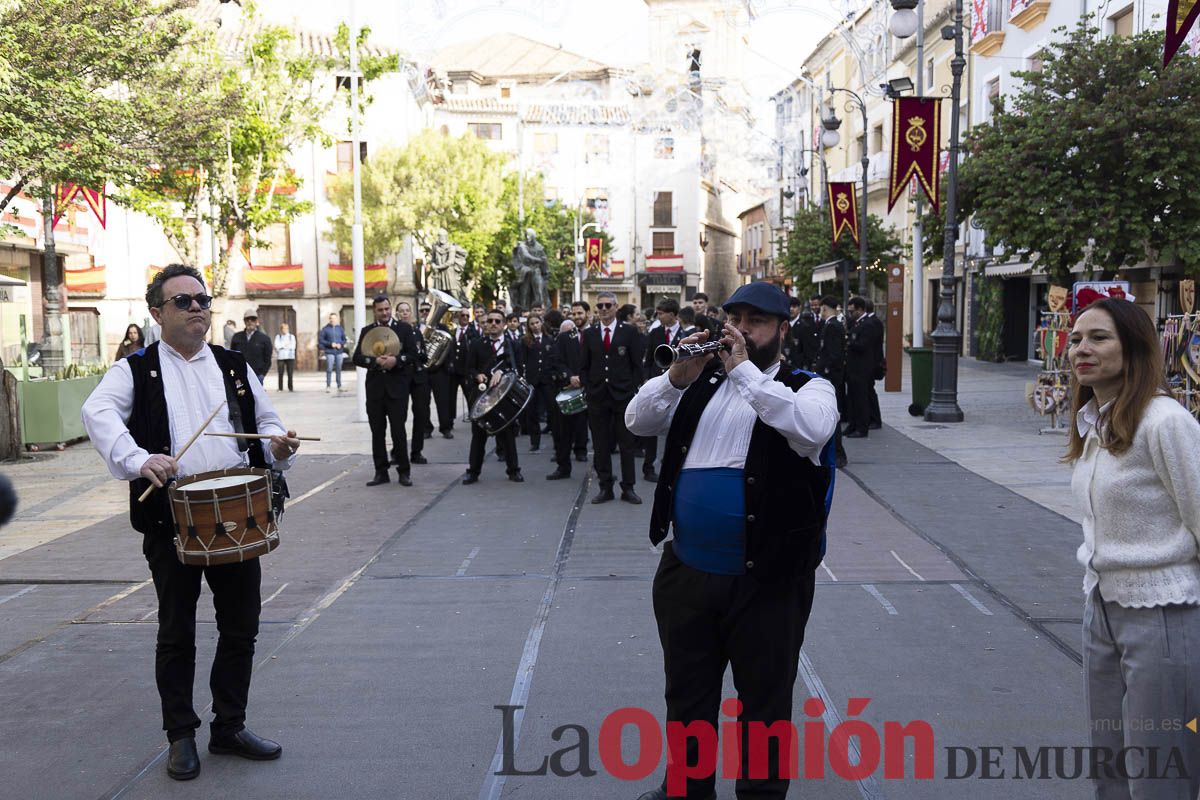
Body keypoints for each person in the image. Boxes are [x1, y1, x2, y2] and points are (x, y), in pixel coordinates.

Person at [81, 264, 300, 782]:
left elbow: (266, 424)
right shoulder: (135, 368)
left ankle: (229, 726)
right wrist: (139, 459)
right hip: (171, 518)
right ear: (158, 314)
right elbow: (98, 413)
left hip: (238, 511)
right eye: (184, 301)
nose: (198, 307)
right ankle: (180, 735)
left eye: (202, 299)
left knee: (241, 626)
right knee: (177, 631)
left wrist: (277, 446)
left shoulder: (232, 364)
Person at [625, 281, 839, 800]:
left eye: (756, 321)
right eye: (735, 318)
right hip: (688, 573)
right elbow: (638, 420)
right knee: (688, 696)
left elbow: (809, 430)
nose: (741, 330)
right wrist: (675, 378)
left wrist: (742, 369)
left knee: (764, 706)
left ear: (783, 329)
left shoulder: (809, 387)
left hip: (767, 580)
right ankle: (686, 790)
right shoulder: (701, 384)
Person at [1066, 297, 1200, 800]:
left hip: (1164, 613)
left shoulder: (1165, 422)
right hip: (1100, 606)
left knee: (1162, 771)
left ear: (1135, 347)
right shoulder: (1093, 422)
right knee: (1109, 763)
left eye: (1099, 338)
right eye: (1077, 338)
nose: (1082, 348)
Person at [578, 291, 643, 504]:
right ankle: (605, 487)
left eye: (608, 305)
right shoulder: (590, 334)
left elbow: (636, 365)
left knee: (626, 444)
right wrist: (589, 387)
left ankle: (629, 487)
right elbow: (584, 366)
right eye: (600, 306)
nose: (604, 309)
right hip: (598, 397)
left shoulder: (629, 332)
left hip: (623, 396)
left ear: (616, 307)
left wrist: (632, 388)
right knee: (601, 445)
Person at [352, 295, 420, 487]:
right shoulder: (367, 331)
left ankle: (404, 472)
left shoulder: (404, 329)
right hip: (375, 391)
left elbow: (413, 355)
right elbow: (357, 357)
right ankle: (380, 472)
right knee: (377, 433)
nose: (384, 312)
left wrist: (396, 361)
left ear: (391, 309)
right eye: (380, 310)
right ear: (374, 311)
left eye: (387, 309)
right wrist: (375, 362)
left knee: (398, 432)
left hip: (397, 390)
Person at [463, 309, 523, 484]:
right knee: (478, 435)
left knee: (508, 435)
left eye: (497, 321)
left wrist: (502, 372)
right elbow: (469, 369)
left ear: (504, 324)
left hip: (504, 396)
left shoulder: (513, 345)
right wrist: (477, 376)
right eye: (490, 321)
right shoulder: (476, 344)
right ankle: (473, 471)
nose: (493, 324)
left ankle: (513, 470)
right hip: (482, 396)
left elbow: (518, 369)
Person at [640, 298, 683, 484]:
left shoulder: (686, 333)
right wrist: (646, 379)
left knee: (676, 427)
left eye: (662, 313)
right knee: (652, 425)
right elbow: (649, 358)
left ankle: (672, 465)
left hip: (679, 386)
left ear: (672, 314)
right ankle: (648, 467)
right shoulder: (655, 332)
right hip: (657, 384)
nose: (658, 316)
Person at [814, 296, 848, 468]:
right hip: (830, 376)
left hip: (831, 378)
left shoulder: (833, 326)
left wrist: (827, 373)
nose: (820, 311)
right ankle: (835, 452)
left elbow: (834, 355)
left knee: (832, 415)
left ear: (825, 308)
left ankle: (838, 453)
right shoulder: (832, 325)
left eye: (821, 308)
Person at [397, 301, 432, 464]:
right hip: (402, 377)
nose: (405, 313)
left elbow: (423, 354)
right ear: (397, 314)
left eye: (407, 310)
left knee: (421, 414)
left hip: (419, 377)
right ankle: (398, 451)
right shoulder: (393, 332)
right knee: (399, 416)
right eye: (401, 311)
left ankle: (416, 451)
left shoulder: (417, 332)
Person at [843, 296, 882, 438]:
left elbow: (863, 345)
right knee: (853, 399)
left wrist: (848, 342)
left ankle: (862, 427)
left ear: (860, 309)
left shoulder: (868, 324)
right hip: (853, 368)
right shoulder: (857, 323)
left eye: (852, 311)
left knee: (862, 399)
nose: (850, 314)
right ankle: (853, 425)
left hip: (862, 368)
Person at [420, 299, 457, 439]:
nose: (425, 312)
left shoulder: (443, 328)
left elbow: (449, 347)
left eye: (427, 310)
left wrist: (447, 365)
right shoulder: (417, 328)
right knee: (423, 402)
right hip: (423, 371)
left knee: (443, 401)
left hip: (439, 370)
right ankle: (426, 428)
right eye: (422, 310)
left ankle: (445, 428)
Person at [520, 314, 555, 453]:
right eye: (532, 323)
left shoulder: (549, 339)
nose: (535, 325)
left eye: (537, 322)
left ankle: (556, 440)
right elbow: (523, 360)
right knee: (532, 412)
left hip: (547, 380)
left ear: (541, 323)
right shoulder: (525, 341)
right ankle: (535, 441)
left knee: (552, 410)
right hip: (532, 380)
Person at [230, 310, 272, 383]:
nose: (250, 321)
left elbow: (268, 359)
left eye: (252, 319)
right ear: (244, 321)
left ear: (256, 321)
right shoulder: (236, 337)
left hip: (257, 376)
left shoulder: (264, 339)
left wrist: (262, 374)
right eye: (247, 319)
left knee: (256, 395)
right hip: (240, 376)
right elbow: (231, 356)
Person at [318, 313, 347, 393]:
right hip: (329, 352)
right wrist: (330, 344)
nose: (332, 320)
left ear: (337, 319)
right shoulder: (325, 329)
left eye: (334, 318)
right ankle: (328, 386)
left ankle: (339, 385)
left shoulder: (340, 328)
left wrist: (340, 344)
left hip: (339, 352)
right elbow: (321, 340)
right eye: (331, 318)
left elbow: (344, 339)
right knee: (329, 369)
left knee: (339, 369)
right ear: (329, 319)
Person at [273, 322, 296, 392]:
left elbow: (293, 346)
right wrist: (284, 346)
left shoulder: (291, 337)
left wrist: (282, 346)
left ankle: (290, 387)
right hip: (281, 357)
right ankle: (280, 388)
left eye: (286, 328)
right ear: (281, 329)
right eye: (283, 328)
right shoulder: (278, 337)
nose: (285, 330)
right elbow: (276, 346)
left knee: (290, 373)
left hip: (290, 357)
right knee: (280, 373)